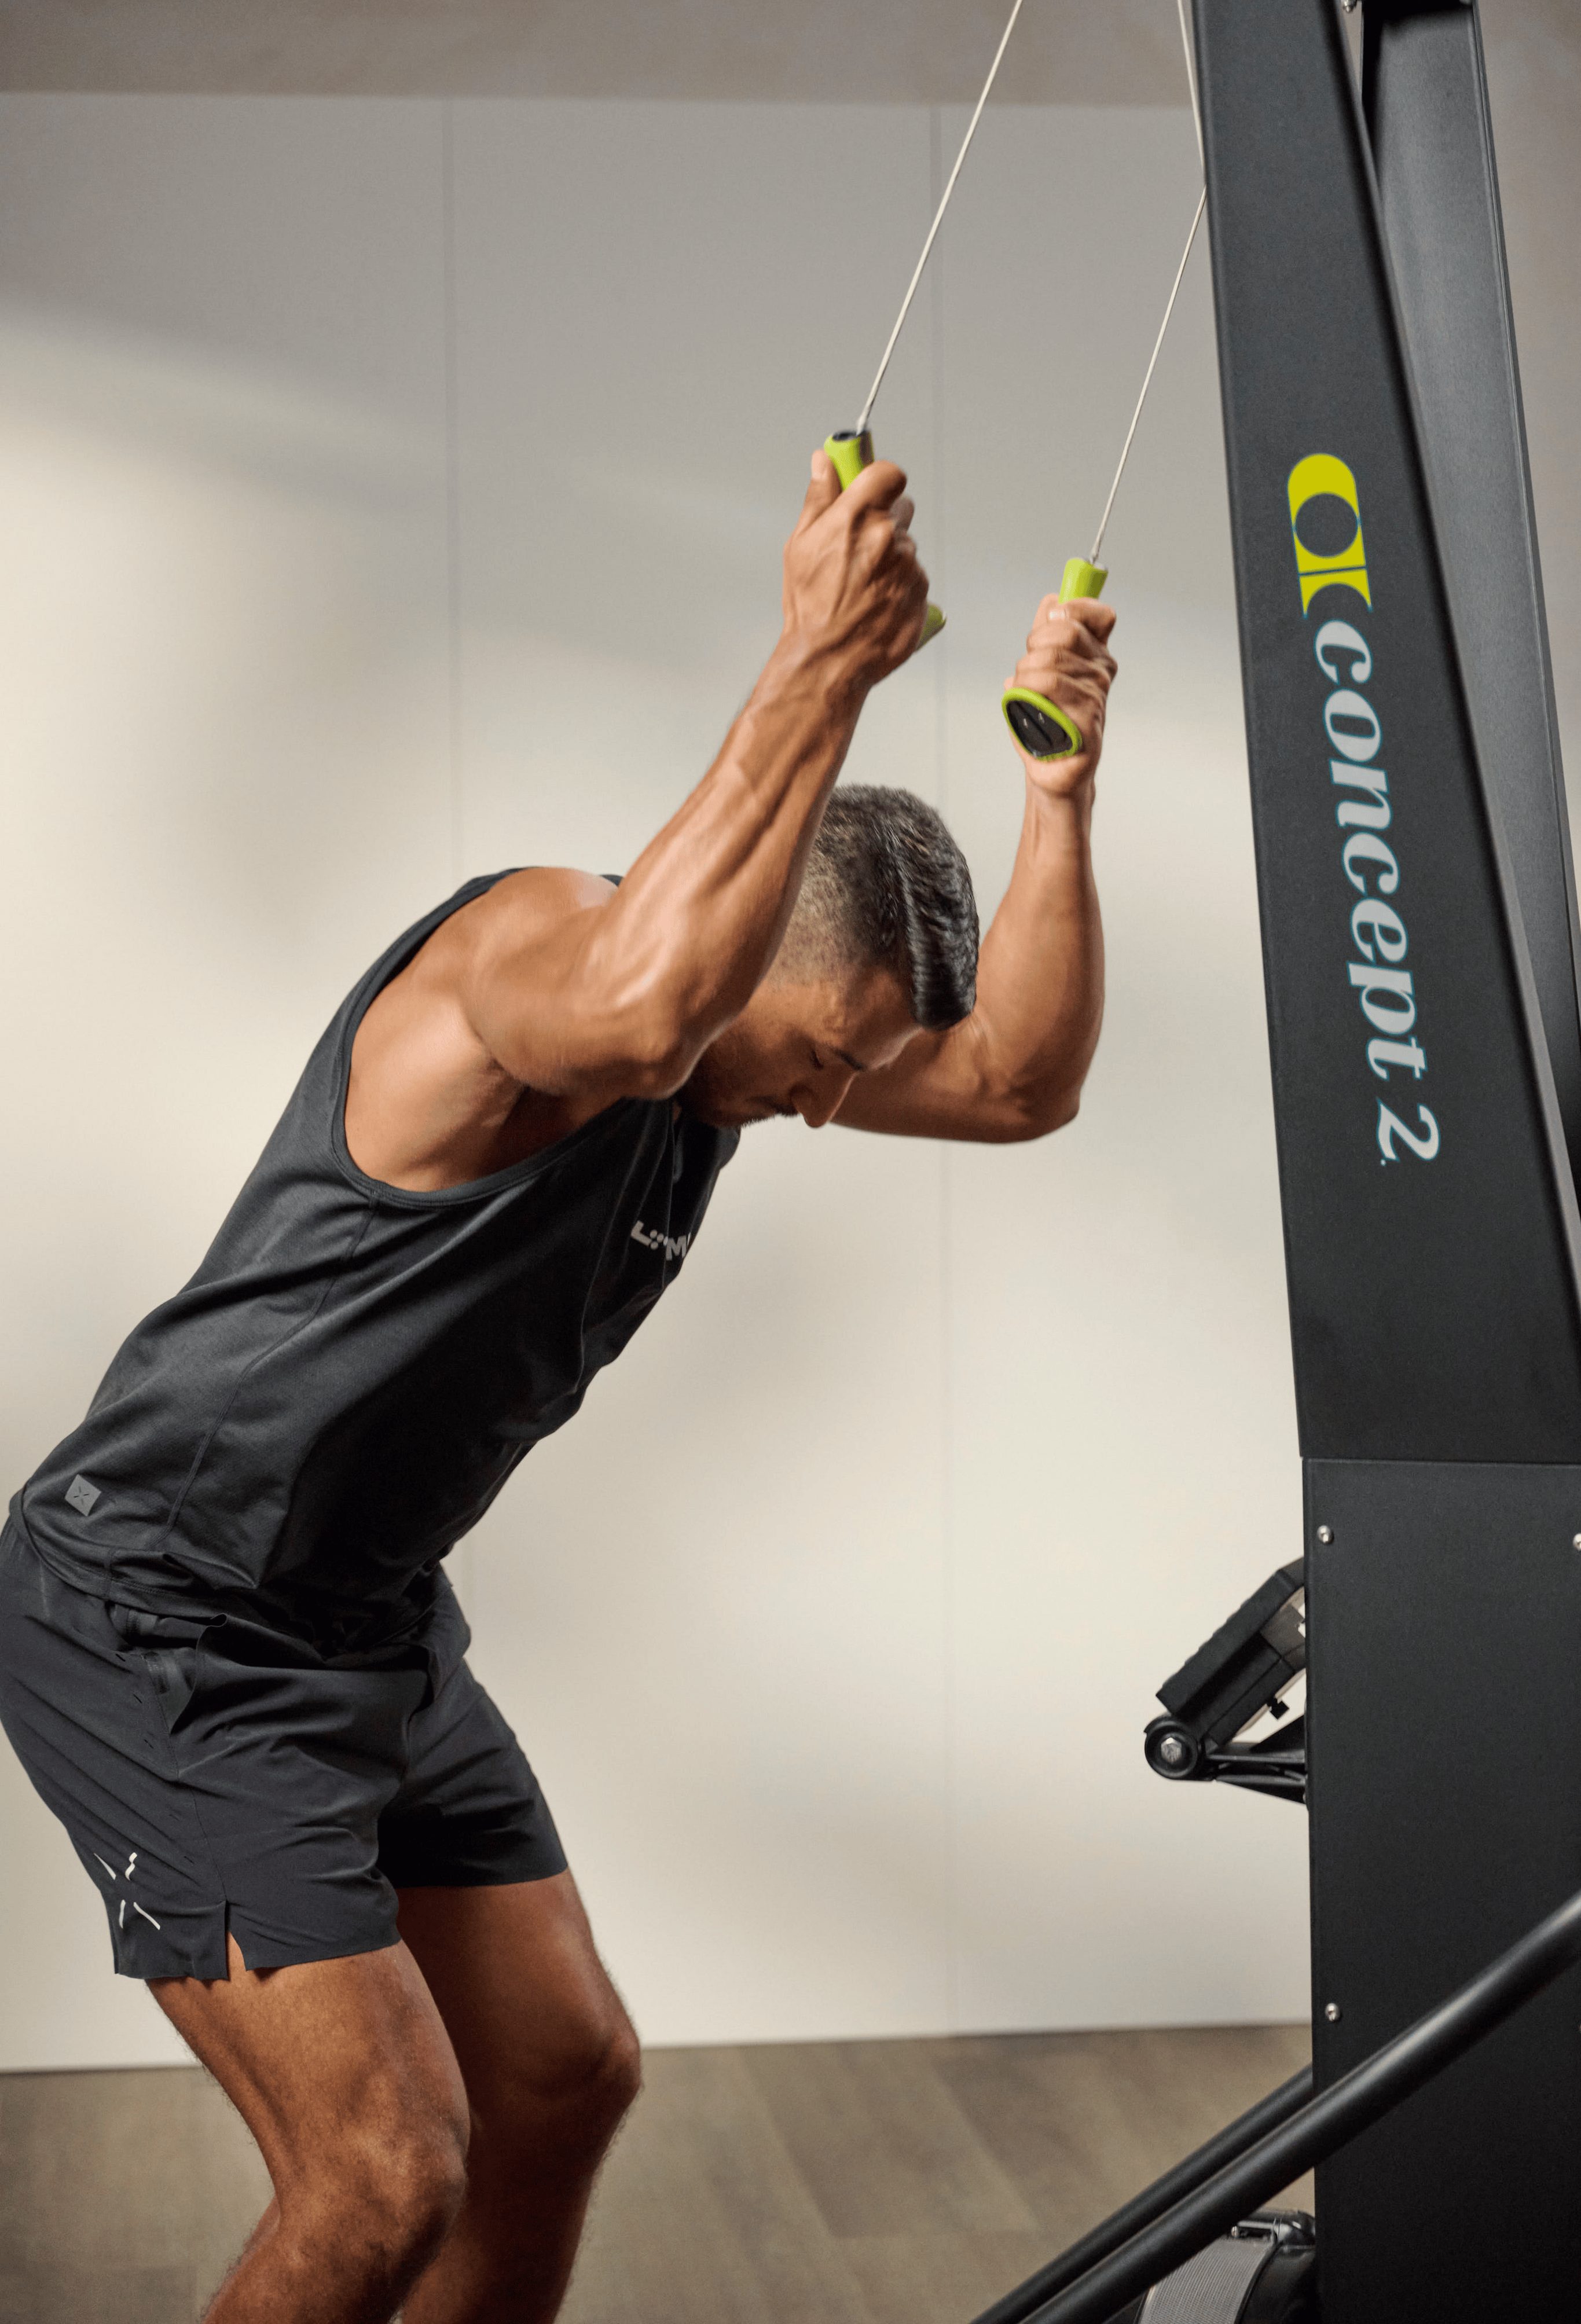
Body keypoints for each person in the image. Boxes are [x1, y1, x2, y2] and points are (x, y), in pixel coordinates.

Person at [0, 447, 1117, 2324]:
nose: (828, 1109)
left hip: (362, 1618)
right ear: (753, 940)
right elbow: (637, 1010)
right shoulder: (522, 962)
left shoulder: (745, 1048)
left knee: (560, 2076)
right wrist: (816, 665)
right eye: (824, 1063)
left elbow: (1018, 1085)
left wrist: (1057, 797)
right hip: (161, 1617)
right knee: (378, 2176)